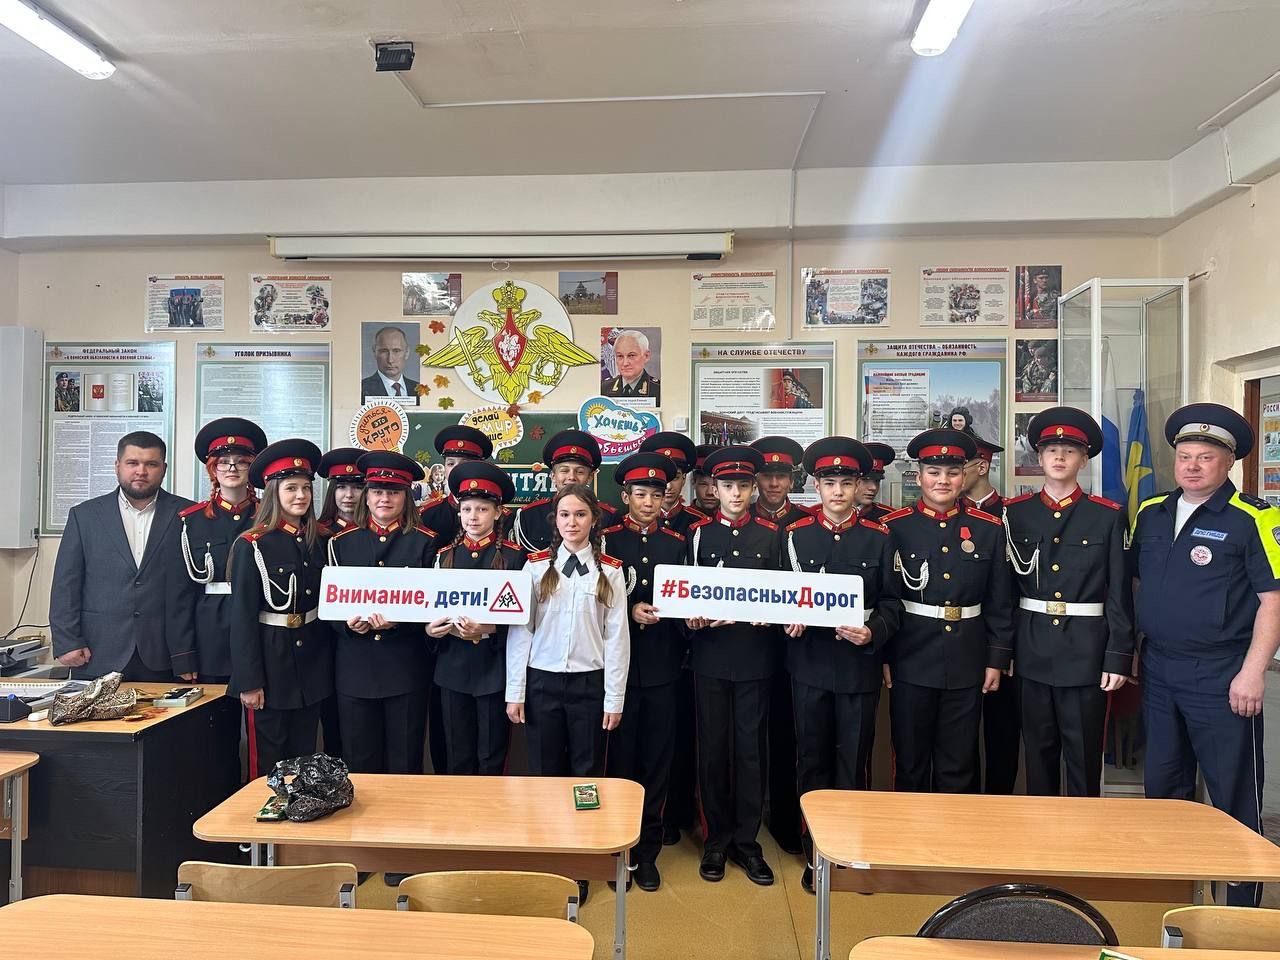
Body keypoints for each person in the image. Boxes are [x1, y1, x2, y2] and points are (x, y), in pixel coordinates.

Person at [1130, 403, 1280, 907]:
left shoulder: (1256, 518)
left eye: (1206, 458)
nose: (1192, 466)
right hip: (1159, 670)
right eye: (1185, 456)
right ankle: (1170, 901)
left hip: (1222, 675)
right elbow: (1137, 585)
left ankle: (1239, 912)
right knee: (1163, 790)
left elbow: (1273, 600)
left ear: (1229, 462)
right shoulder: (1152, 512)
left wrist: (1253, 673)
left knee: (1233, 794)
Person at [784, 437, 902, 892]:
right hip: (809, 664)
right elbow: (777, 595)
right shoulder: (795, 535)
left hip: (858, 666)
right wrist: (788, 619)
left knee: (854, 764)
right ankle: (815, 853)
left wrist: (874, 631)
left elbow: (892, 603)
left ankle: (851, 852)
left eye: (846, 483)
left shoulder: (880, 537)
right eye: (829, 482)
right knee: (812, 761)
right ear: (816, 486)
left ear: (858, 487)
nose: (838, 491)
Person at [506, 483, 629, 907]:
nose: (571, 522)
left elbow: (617, 640)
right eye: (564, 515)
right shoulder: (535, 568)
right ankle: (548, 853)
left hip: (589, 685)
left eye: (580, 514)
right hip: (542, 683)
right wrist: (515, 692)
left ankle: (580, 857)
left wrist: (614, 699)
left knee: (586, 775)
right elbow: (521, 634)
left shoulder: (611, 571)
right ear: (554, 520)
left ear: (594, 520)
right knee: (545, 772)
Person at [1003, 408, 1133, 797]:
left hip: (1086, 652)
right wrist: (1004, 650)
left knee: (1084, 756)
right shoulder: (1015, 514)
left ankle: (1085, 832)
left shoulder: (1107, 516)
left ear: (1084, 460)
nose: (1059, 457)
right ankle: (1040, 831)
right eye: (1051, 450)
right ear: (1039, 457)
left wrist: (1118, 656)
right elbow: (1004, 592)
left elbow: (1119, 592)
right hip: (1031, 648)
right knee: (1037, 755)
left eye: (1070, 451)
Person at [882, 429, 1014, 793]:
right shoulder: (894, 528)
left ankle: (954, 831)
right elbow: (887, 599)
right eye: (934, 472)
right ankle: (910, 831)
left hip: (967, 659)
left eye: (952, 472)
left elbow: (999, 602)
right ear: (919, 476)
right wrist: (886, 657)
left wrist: (997, 659)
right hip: (911, 657)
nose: (943, 480)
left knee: (959, 764)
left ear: (964, 475)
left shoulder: (988, 529)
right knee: (910, 762)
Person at [686, 446, 780, 886]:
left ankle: (747, 842)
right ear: (715, 489)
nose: (737, 493)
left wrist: (772, 613)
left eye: (744, 485)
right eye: (728, 486)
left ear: (753, 487)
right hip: (710, 657)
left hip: (755, 658)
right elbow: (683, 593)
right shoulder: (698, 534)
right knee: (712, 751)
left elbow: (785, 592)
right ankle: (715, 842)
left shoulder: (773, 534)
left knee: (750, 753)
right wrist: (691, 617)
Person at [601, 453, 687, 892]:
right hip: (616, 671)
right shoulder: (607, 540)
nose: (649, 502)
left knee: (656, 762)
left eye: (656, 494)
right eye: (641, 494)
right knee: (619, 763)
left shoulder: (677, 543)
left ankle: (647, 852)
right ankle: (619, 848)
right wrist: (629, 609)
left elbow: (687, 598)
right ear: (625, 497)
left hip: (663, 668)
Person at [328, 451, 441, 778]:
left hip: (405, 668)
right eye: (377, 491)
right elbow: (330, 603)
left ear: (406, 497)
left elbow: (434, 604)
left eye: (393, 492)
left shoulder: (425, 543)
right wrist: (347, 625)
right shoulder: (340, 543)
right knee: (359, 765)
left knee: (405, 764)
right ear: (367, 496)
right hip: (355, 669)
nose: (384, 499)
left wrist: (401, 621)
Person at [51, 430, 196, 682]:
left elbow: (196, 589)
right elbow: (66, 584)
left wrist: (188, 653)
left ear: (164, 469)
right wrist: (67, 641)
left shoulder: (189, 515)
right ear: (117, 466)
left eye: (151, 464)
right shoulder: (85, 516)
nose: (141, 471)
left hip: (166, 655)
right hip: (97, 652)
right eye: (132, 463)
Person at [228, 439, 333, 778]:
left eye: (306, 488)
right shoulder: (252, 545)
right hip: (270, 668)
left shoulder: (320, 541)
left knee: (305, 760)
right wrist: (249, 681)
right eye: (291, 488)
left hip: (311, 668)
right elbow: (242, 619)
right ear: (274, 492)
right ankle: (263, 817)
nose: (301, 495)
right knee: (267, 763)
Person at [430, 462, 525, 775]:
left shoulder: (514, 557)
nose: (473, 516)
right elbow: (430, 607)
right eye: (467, 509)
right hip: (452, 667)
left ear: (498, 513)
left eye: (482, 509)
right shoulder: (444, 556)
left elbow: (523, 618)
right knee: (458, 754)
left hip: (493, 668)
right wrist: (431, 629)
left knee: (490, 755)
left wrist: (490, 627)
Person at [638, 432, 705, 845]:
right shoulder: (612, 530)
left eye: (675, 476)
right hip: (630, 659)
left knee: (676, 741)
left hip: (678, 654)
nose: (664, 488)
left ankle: (672, 816)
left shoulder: (692, 528)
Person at [170, 418, 268, 685]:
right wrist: (184, 655)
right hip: (211, 638)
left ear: (252, 467)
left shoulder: (269, 518)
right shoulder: (190, 522)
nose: (232, 468)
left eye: (242, 461)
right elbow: (179, 595)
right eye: (223, 461)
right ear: (213, 469)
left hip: (262, 632)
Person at [748, 435, 808, 855]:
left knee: (789, 736)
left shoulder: (805, 522)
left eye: (781, 475)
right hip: (749, 645)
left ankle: (786, 819)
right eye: (767, 475)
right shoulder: (740, 518)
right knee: (748, 738)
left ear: (792, 479)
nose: (773, 483)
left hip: (795, 649)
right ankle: (746, 822)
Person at [957, 431, 1019, 795]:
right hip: (959, 641)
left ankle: (998, 804)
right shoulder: (949, 514)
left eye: (960, 466)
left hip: (1000, 640)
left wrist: (1004, 647)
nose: (951, 475)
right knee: (959, 739)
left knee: (1001, 732)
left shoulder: (1010, 514)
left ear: (982, 467)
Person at [511, 430, 618, 552]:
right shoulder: (528, 516)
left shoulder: (608, 518)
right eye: (564, 471)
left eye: (580, 472)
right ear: (553, 476)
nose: (571, 477)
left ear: (589, 478)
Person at [418, 425, 495, 543]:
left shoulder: (500, 516)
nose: (456, 469)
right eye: (450, 464)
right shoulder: (428, 514)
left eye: (464, 463)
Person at [639, 432, 708, 536]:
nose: (668, 486)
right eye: (663, 478)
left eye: (675, 478)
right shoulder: (637, 520)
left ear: (683, 479)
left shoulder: (699, 522)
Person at [360, 326, 420, 399]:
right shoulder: (361, 389)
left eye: (396, 351)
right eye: (384, 351)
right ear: (374, 352)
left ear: (407, 353)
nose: (390, 360)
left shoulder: (418, 389)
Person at [317, 448, 366, 533]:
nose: (349, 495)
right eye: (341, 487)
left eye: (358, 487)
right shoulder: (319, 532)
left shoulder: (376, 531)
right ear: (332, 491)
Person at [602, 330, 660, 401]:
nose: (625, 363)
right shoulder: (603, 389)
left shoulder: (659, 390)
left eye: (631, 355)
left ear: (646, 356)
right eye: (620, 356)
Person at [855, 442, 896, 523]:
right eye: (865, 480)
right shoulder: (832, 515)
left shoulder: (891, 518)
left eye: (877, 481)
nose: (873, 487)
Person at [691, 444, 722, 515]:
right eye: (703, 484)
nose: (710, 492)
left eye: (716, 485)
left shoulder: (734, 519)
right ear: (693, 482)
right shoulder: (680, 519)